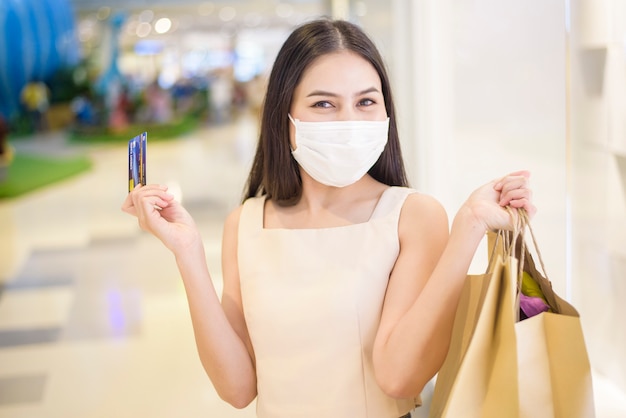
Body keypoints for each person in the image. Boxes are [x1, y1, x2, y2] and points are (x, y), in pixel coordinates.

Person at [122, 19, 535, 417]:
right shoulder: (246, 223)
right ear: (285, 118)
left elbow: (399, 377)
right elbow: (237, 388)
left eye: (366, 102)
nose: (349, 122)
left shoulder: (412, 216)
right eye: (324, 103)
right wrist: (188, 252)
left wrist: (469, 227)